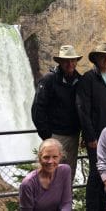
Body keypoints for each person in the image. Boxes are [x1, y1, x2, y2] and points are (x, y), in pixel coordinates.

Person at [76, 42, 106, 211]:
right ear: (96, 58)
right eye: (103, 55)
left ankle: (105, 206)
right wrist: (90, 137)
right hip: (96, 137)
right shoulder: (88, 79)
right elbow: (82, 109)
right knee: (96, 174)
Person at [31, 45, 82, 181]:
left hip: (73, 135)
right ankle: (48, 202)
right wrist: (47, 136)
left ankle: (66, 201)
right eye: (66, 61)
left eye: (72, 60)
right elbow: (37, 109)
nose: (69, 64)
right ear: (59, 62)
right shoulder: (49, 80)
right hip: (55, 135)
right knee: (51, 172)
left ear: (76, 61)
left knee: (68, 174)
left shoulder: (79, 80)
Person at [19, 138, 72, 211]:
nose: (50, 161)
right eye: (46, 157)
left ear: (60, 156)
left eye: (55, 157)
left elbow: (66, 202)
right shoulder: (28, 184)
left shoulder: (65, 171)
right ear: (40, 158)